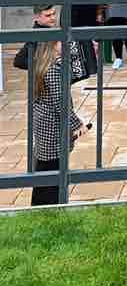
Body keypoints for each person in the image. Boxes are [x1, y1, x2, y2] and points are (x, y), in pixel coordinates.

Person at [29, 19, 88, 206]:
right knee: (52, 173)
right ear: (54, 45)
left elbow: (76, 73)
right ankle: (48, 207)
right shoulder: (54, 70)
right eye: (64, 42)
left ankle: (43, 206)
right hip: (52, 130)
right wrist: (77, 124)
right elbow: (61, 104)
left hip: (45, 127)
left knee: (45, 171)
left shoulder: (46, 64)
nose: (68, 44)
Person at [58, 0, 101, 78]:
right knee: (71, 44)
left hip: (87, 16)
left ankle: (92, 69)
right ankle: (74, 70)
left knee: (88, 43)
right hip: (71, 15)